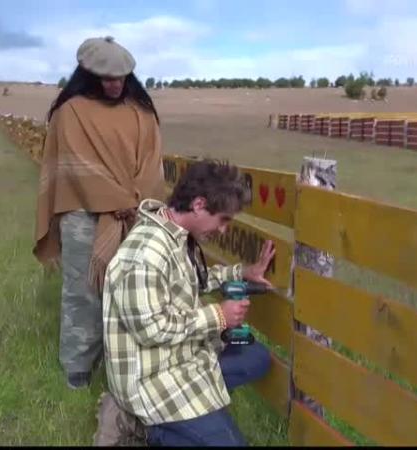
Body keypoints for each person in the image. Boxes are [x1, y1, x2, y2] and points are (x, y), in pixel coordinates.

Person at [97, 159, 276, 446]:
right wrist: (218, 315)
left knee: (256, 358)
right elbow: (152, 329)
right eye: (223, 219)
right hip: (151, 381)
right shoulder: (144, 256)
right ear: (198, 204)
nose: (223, 230)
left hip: (181, 358)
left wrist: (242, 272)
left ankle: (198, 412)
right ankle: (139, 423)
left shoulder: (175, 236)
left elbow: (194, 279)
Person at [33, 35, 167, 390]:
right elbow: (76, 167)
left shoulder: (142, 112)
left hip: (136, 214)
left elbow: (153, 166)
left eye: (121, 77)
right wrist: (118, 199)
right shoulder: (70, 112)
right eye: (107, 77)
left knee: (134, 289)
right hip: (82, 213)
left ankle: (129, 365)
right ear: (88, 74)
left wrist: (133, 202)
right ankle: (78, 364)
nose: (114, 84)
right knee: (83, 288)